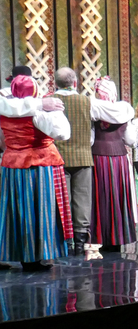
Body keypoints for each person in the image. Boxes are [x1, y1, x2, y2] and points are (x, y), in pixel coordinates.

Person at [51, 67, 135, 255]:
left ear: (55, 83)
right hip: (84, 157)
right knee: (83, 199)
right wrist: (129, 110)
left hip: (58, 157)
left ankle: (64, 243)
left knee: (62, 201)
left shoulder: (48, 101)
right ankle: (80, 243)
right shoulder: (88, 102)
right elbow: (120, 118)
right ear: (75, 83)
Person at [0, 74, 72, 270]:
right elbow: (62, 133)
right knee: (41, 210)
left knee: (17, 210)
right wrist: (50, 108)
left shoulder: (6, 109)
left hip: (13, 164)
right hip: (39, 164)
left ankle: (22, 254)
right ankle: (39, 254)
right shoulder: (39, 112)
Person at [91, 77, 138, 252]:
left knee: (101, 196)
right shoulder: (124, 110)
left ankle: (101, 236)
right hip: (119, 158)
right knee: (118, 196)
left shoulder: (93, 109)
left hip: (98, 156)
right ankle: (118, 236)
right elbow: (130, 140)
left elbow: (90, 139)